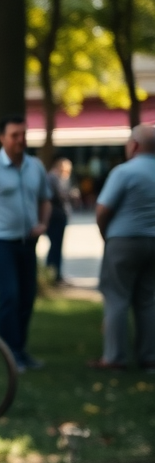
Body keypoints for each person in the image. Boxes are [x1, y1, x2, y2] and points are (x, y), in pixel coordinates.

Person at [0, 116, 50, 370]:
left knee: (27, 296)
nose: (20, 140)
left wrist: (43, 223)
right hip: (0, 241)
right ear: (2, 138)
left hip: (27, 241)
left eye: (23, 134)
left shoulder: (35, 166)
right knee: (10, 295)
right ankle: (9, 353)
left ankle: (19, 349)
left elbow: (45, 199)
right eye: (14, 135)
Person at [92, 125, 155, 371]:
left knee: (117, 298)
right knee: (148, 300)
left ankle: (114, 358)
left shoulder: (124, 172)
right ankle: (149, 356)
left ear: (135, 145)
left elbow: (103, 209)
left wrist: (105, 234)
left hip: (124, 240)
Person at [45, 157, 75, 285]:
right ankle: (54, 275)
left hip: (57, 215)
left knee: (56, 246)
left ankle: (54, 274)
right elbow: (59, 195)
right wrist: (71, 195)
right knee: (56, 246)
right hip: (56, 216)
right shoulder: (54, 178)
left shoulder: (55, 177)